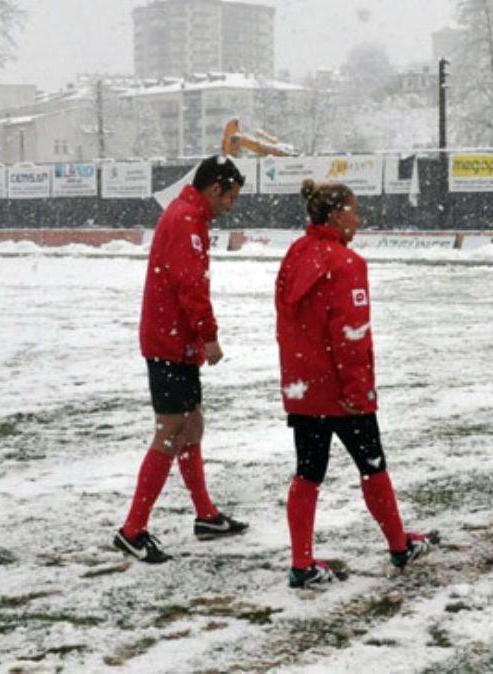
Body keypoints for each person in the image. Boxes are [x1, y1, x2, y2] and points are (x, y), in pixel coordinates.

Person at [275, 179, 439, 588]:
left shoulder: (296, 254)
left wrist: (299, 378)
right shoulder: (346, 263)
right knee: (373, 467)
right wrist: (357, 390)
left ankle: (302, 562)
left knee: (308, 473)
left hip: (305, 388)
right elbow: (351, 334)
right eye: (353, 209)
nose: (358, 218)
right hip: (341, 392)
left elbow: (289, 323)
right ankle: (399, 544)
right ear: (334, 214)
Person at [114, 155, 250, 564]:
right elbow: (190, 285)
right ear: (215, 189)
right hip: (169, 342)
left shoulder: (186, 214)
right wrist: (209, 336)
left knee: (191, 423)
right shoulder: (187, 220)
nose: (231, 206)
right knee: (172, 429)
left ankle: (206, 516)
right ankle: (132, 530)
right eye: (231, 198)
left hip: (175, 341)